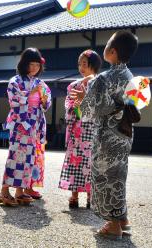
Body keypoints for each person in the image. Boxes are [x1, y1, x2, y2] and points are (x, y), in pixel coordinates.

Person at [71, 31, 138, 240]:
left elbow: (92, 110)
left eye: (108, 44)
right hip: (125, 133)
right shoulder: (130, 77)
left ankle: (113, 225)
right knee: (119, 176)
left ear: (113, 51)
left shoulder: (103, 78)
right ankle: (122, 218)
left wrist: (84, 99)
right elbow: (131, 104)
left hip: (108, 134)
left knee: (105, 177)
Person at [0, 48, 51, 206]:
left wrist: (44, 100)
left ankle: (20, 191)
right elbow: (14, 101)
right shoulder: (15, 81)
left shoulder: (40, 83)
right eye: (31, 64)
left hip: (34, 125)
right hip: (21, 123)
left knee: (28, 160)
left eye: (37, 64)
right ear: (24, 64)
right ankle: (4, 191)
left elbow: (46, 102)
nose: (34, 68)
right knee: (15, 157)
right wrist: (30, 93)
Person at [59, 49, 102, 209]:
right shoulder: (73, 85)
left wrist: (85, 102)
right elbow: (68, 107)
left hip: (92, 130)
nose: (81, 67)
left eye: (84, 63)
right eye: (80, 64)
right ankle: (74, 195)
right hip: (77, 131)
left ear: (94, 64)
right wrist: (75, 107)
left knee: (92, 163)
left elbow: (101, 107)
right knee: (75, 162)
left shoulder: (99, 84)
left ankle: (91, 196)